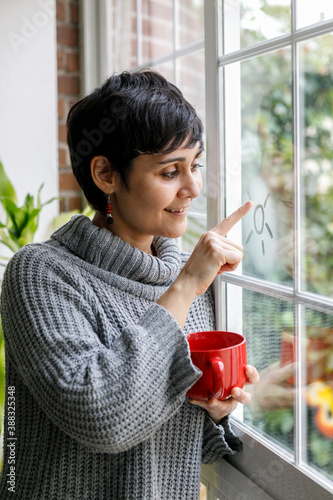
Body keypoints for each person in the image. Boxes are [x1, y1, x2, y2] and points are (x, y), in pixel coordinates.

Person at [0, 70, 259, 500]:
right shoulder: (41, 274)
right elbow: (104, 420)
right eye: (170, 172)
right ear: (105, 174)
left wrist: (214, 413)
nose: (193, 187)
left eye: (194, 165)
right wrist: (186, 285)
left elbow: (157, 428)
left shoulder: (186, 276)